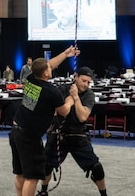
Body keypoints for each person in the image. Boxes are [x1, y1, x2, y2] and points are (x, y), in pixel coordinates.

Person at [9, 46, 79, 196]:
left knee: (20, 173)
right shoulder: (51, 91)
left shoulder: (31, 79)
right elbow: (64, 111)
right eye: (48, 67)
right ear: (46, 73)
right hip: (29, 137)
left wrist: (65, 54)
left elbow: (50, 65)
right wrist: (72, 98)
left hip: (16, 131)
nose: (51, 67)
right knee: (32, 177)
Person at [38, 67, 108, 196]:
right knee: (46, 165)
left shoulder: (89, 94)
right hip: (58, 133)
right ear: (75, 77)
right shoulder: (62, 89)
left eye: (88, 82)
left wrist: (75, 98)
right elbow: (56, 110)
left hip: (78, 135)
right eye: (83, 80)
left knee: (96, 167)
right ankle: (43, 191)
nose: (86, 84)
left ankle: (104, 194)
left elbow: (82, 117)